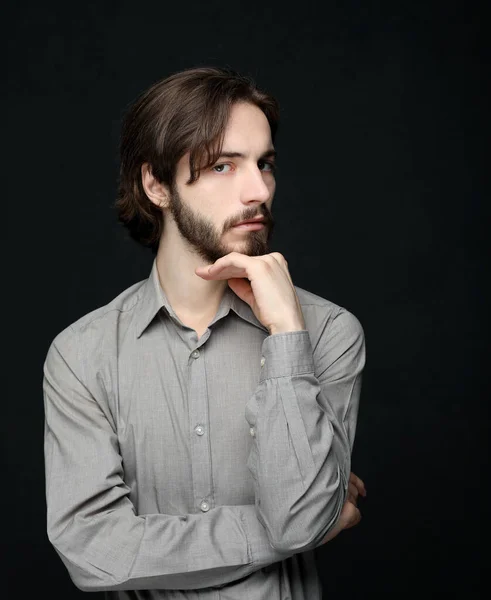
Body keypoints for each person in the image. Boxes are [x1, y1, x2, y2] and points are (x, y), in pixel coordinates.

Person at [42, 66, 367, 599]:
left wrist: (287, 332)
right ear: (156, 185)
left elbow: (302, 519)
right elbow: (94, 554)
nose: (258, 189)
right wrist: (297, 528)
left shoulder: (328, 332)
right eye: (223, 165)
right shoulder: (82, 355)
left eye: (265, 164)